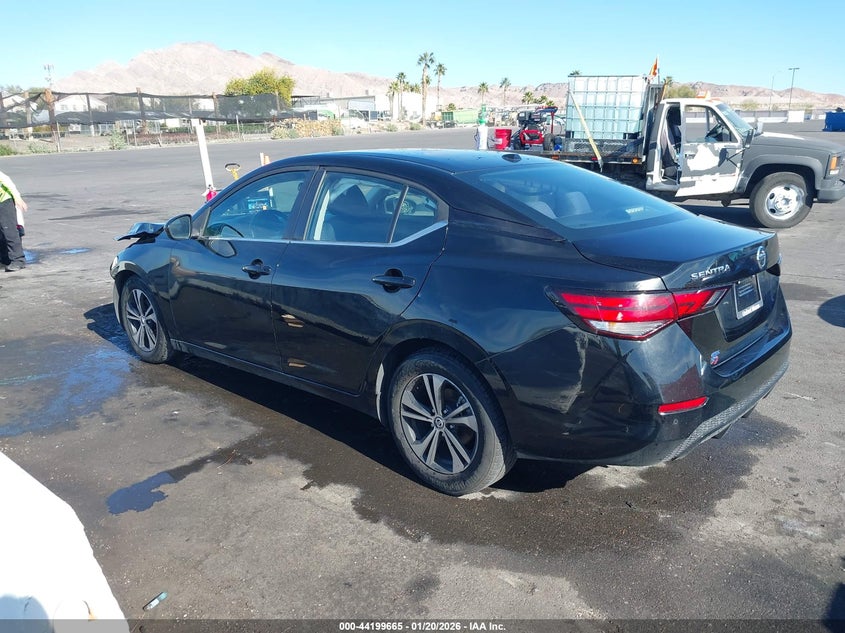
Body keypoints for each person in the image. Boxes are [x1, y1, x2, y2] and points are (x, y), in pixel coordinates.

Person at [0, 169, 28, 272]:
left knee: (9, 231)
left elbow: (6, 180)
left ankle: (18, 260)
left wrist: (17, 198)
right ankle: (5, 258)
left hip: (4, 200)